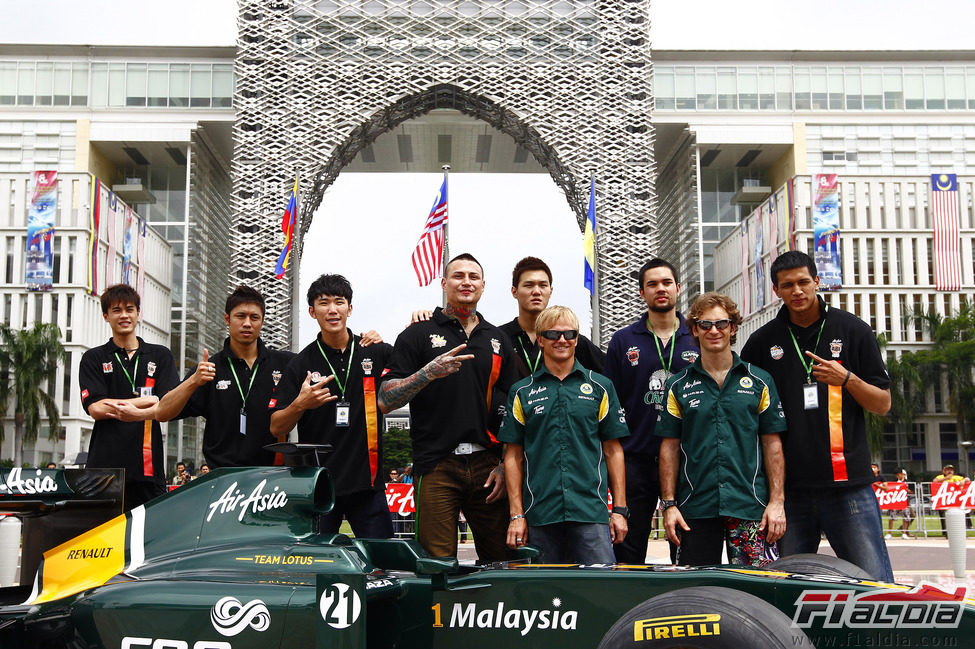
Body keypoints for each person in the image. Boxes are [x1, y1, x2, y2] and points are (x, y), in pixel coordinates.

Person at [740, 250, 894, 581]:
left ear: (817, 282)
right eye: (787, 285)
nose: (797, 291)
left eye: (803, 282)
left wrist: (847, 379)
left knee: (876, 585)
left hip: (847, 486)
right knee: (782, 589)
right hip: (788, 493)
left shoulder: (853, 331)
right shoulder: (761, 342)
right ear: (776, 290)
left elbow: (882, 404)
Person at [379, 253, 518, 560]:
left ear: (483, 285)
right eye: (458, 276)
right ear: (444, 283)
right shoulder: (417, 333)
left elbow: (515, 411)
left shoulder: (498, 339)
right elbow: (385, 399)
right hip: (436, 464)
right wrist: (428, 373)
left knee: (503, 560)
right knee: (437, 564)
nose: (465, 282)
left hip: (488, 466)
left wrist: (504, 464)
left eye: (473, 276)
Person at [657, 293, 787, 567]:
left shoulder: (759, 380)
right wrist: (669, 506)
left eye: (721, 324)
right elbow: (669, 447)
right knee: (696, 592)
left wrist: (777, 502)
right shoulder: (678, 385)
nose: (714, 331)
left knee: (755, 589)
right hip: (695, 507)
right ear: (694, 330)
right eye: (705, 325)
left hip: (750, 506)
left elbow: (772, 444)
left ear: (733, 328)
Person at [500, 306, 629, 563]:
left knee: (601, 592)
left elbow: (613, 450)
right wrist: (517, 515)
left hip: (590, 512)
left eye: (569, 333)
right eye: (553, 334)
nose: (562, 340)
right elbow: (512, 456)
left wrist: (620, 511)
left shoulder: (600, 387)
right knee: (543, 598)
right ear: (540, 339)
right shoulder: (522, 391)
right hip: (540, 514)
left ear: (577, 338)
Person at [271, 274, 394, 538]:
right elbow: (276, 426)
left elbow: (412, 369)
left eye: (339, 302)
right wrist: (300, 404)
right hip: (319, 485)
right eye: (324, 303)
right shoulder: (300, 363)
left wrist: (417, 320)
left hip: (368, 485)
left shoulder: (374, 351)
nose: (332, 309)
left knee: (381, 564)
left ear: (350, 308)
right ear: (312, 311)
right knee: (316, 567)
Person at [604, 258, 699, 564]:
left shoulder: (698, 336)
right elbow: (611, 403)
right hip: (636, 459)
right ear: (642, 293)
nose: (661, 289)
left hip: (687, 460)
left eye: (666, 283)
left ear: (678, 288)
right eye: (652, 284)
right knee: (628, 550)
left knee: (686, 549)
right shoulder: (623, 340)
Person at [156, 286, 295, 468]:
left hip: (272, 476)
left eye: (254, 317)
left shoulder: (285, 364)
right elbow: (162, 412)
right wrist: (192, 381)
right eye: (240, 316)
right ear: (227, 319)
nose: (247, 323)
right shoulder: (210, 369)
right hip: (223, 479)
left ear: (262, 321)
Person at [79, 283, 179, 511]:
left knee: (149, 539)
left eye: (129, 309)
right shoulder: (93, 358)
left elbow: (165, 403)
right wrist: (147, 400)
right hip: (104, 470)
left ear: (137, 313)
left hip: (147, 467)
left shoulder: (160, 355)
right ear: (106, 316)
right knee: (103, 540)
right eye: (116, 310)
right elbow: (95, 409)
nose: (124, 315)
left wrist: (112, 403)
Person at [498, 256, 605, 378]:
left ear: (550, 291)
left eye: (543, 285)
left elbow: (610, 374)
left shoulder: (570, 339)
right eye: (529, 285)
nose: (537, 291)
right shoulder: (498, 338)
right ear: (514, 291)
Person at [886, 468, 914, 539]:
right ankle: (889, 533)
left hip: (905, 502)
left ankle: (904, 533)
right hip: (895, 501)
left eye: (899, 474)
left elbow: (912, 492)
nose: (898, 476)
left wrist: (905, 488)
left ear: (902, 474)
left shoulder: (908, 482)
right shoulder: (893, 482)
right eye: (897, 475)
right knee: (892, 517)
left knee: (906, 517)